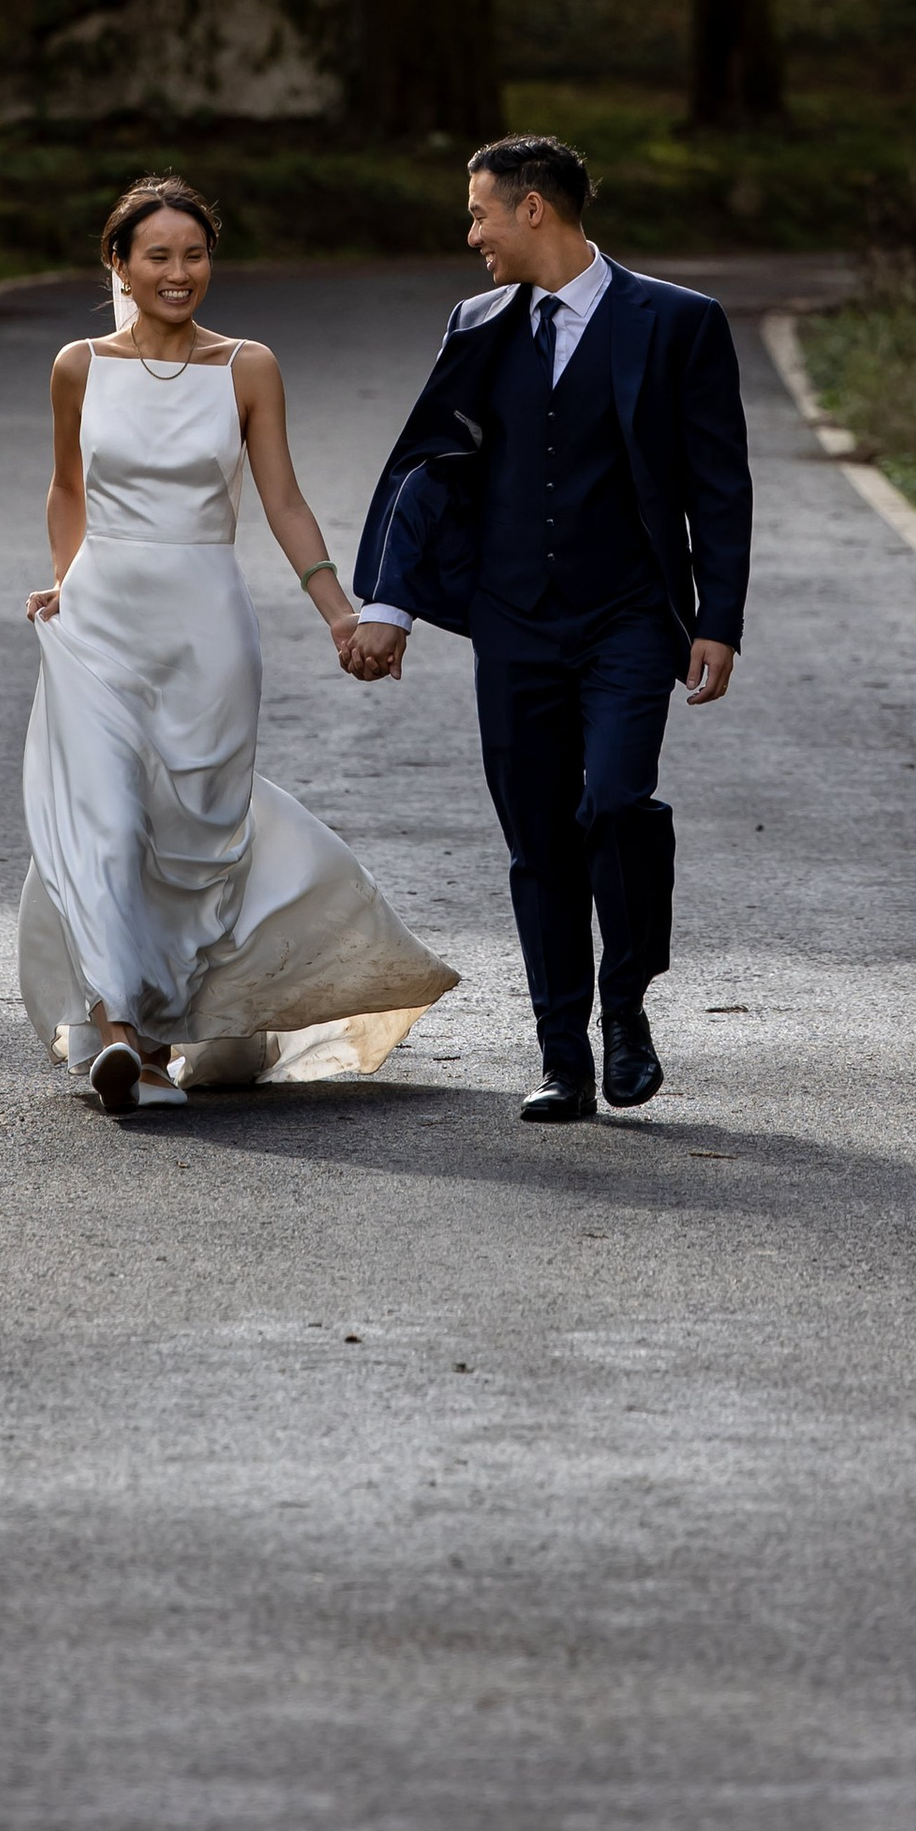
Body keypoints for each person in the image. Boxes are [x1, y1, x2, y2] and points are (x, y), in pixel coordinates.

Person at [18, 174, 457, 1116]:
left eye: (195, 254)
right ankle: (122, 1039)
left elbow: (284, 500)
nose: (180, 273)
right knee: (105, 822)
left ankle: (170, 1022)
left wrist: (339, 610)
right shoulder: (78, 365)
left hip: (207, 626)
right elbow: (66, 486)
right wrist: (66, 575)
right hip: (98, 623)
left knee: (195, 837)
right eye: (158, 256)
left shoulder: (247, 366)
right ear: (119, 265)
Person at [345, 136, 752, 1125]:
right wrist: (388, 602)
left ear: (534, 210)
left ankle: (626, 1001)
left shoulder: (678, 322)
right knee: (536, 842)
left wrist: (718, 621)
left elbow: (718, 483)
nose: (471, 233)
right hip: (513, 622)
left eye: (481, 212)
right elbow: (431, 466)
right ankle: (563, 1056)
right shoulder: (477, 323)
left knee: (614, 804)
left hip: (629, 621)